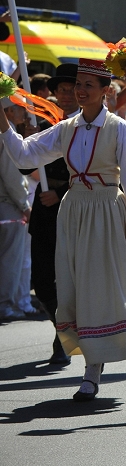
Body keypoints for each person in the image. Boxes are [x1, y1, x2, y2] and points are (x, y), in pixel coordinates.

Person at [0, 58, 126, 402]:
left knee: (99, 287)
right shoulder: (67, 127)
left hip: (106, 210)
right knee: (71, 284)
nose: (80, 90)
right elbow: (27, 155)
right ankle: (83, 355)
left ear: (105, 92)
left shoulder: (117, 128)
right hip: (74, 209)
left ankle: (92, 370)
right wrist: (3, 119)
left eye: (88, 85)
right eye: (78, 85)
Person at [27, 63, 80, 365]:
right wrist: (29, 138)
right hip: (43, 213)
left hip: (73, 206)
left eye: (72, 88)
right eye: (61, 89)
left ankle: (67, 339)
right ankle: (62, 331)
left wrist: (59, 194)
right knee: (43, 280)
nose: (67, 94)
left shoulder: (89, 125)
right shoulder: (44, 123)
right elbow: (24, 166)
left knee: (70, 279)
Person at [0, 100, 32, 319]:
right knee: (10, 260)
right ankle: (4, 304)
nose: (24, 112)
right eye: (20, 107)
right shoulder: (7, 137)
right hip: (8, 208)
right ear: (8, 111)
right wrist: (25, 205)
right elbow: (12, 177)